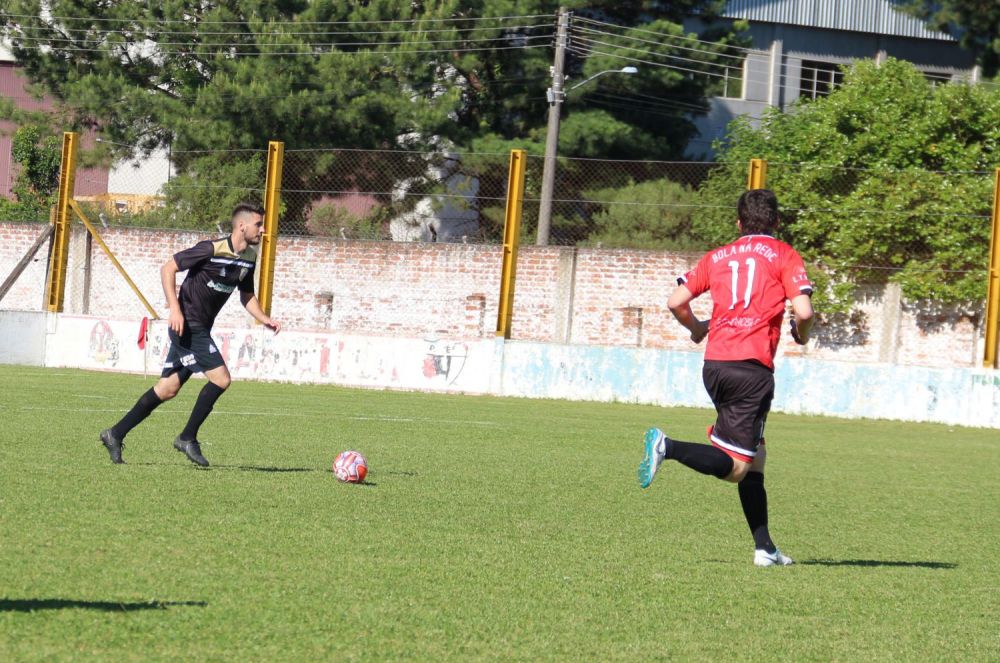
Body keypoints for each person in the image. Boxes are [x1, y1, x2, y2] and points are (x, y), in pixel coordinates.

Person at [637, 188, 814, 567]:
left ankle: (764, 548)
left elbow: (675, 302)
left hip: (715, 365)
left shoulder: (718, 255)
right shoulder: (783, 254)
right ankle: (668, 447)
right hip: (751, 369)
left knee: (757, 456)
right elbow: (804, 310)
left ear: (738, 223)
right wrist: (803, 333)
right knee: (736, 468)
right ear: (777, 222)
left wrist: (698, 328)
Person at [100, 202, 282, 467]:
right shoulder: (210, 249)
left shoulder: (249, 257)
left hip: (199, 328)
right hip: (187, 326)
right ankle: (187, 437)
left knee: (167, 388)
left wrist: (265, 319)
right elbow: (168, 268)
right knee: (221, 379)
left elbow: (246, 295)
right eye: (258, 224)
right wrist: (174, 309)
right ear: (242, 225)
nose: (263, 229)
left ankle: (114, 433)